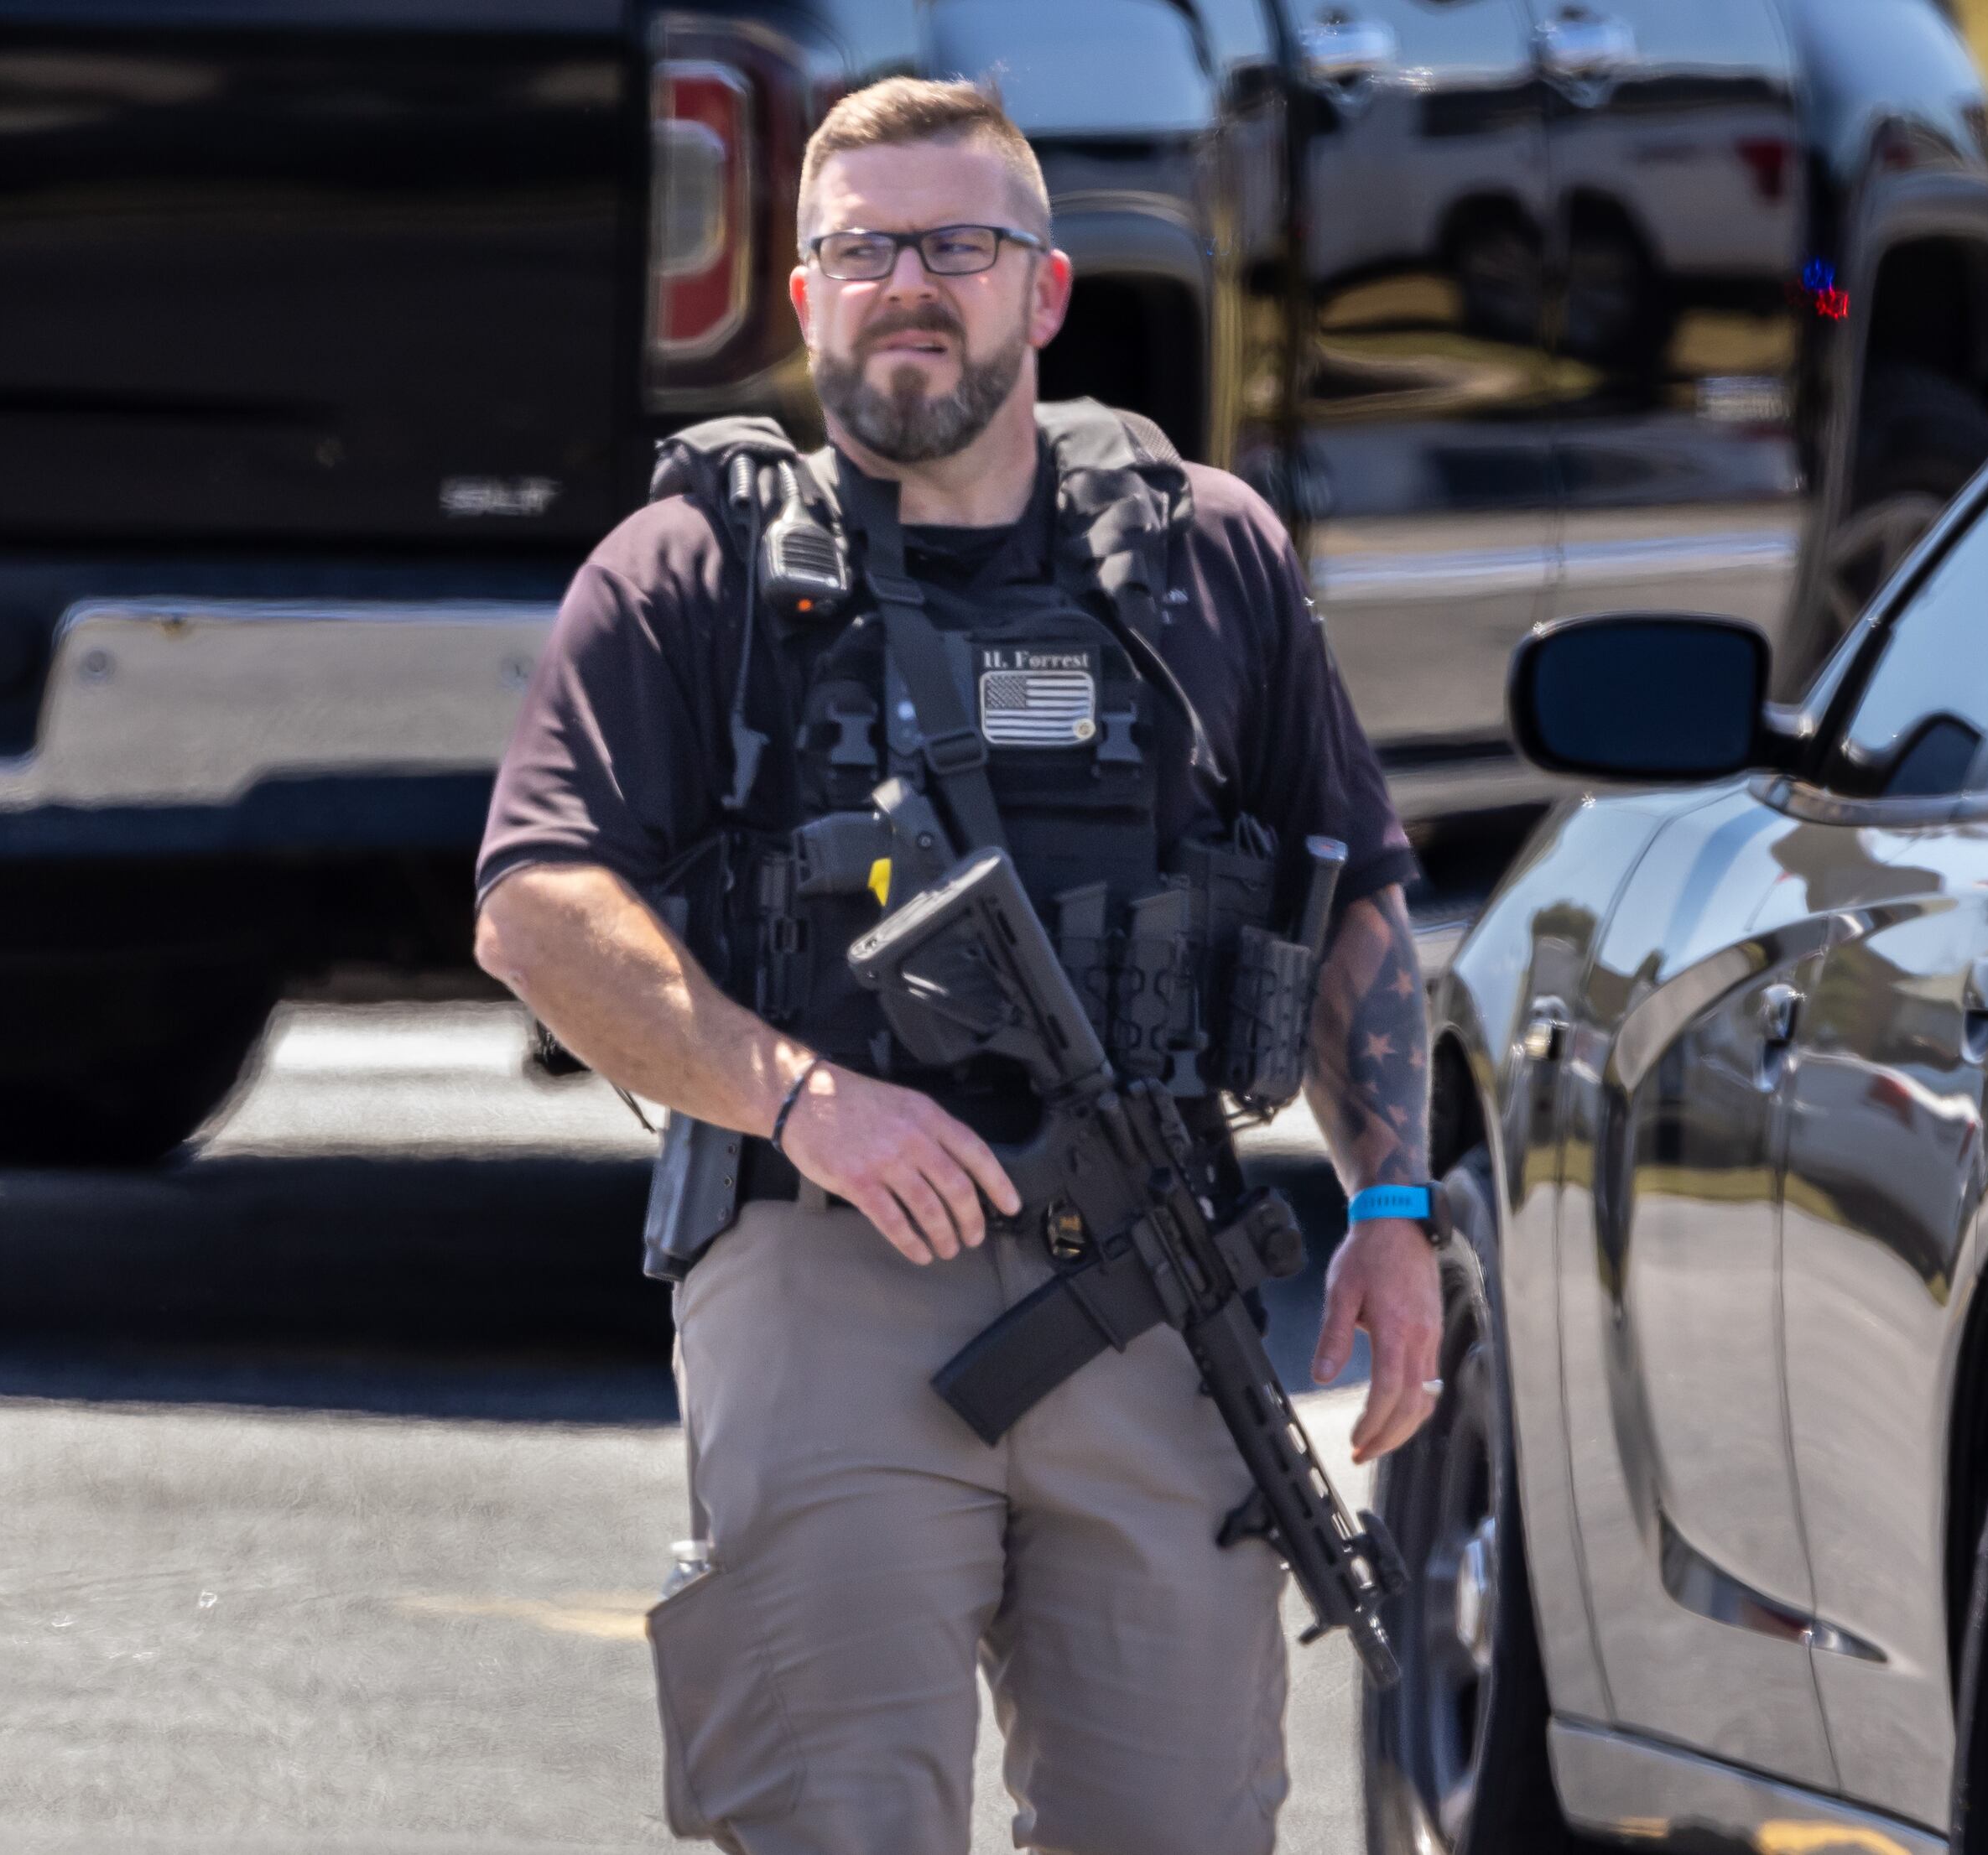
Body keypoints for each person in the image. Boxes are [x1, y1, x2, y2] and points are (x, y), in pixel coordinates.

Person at [474, 76, 1443, 1855]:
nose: (909, 285)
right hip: (825, 1264)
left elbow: (1353, 881)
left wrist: (1393, 1208)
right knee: (838, 1818)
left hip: (1154, 1286)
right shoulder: (692, 570)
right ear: (804, 294)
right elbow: (538, 900)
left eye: (959, 246)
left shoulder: (1202, 551)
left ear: (1046, 292)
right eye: (863, 250)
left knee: (1187, 1818)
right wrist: (800, 1093)